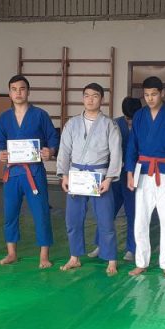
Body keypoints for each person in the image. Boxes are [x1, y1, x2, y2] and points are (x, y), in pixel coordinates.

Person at [58, 83, 122, 276]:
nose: (90, 99)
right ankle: (74, 257)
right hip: (77, 175)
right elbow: (64, 150)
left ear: (102, 99)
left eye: (95, 96)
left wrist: (109, 178)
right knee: (73, 219)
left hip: (99, 176)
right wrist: (64, 175)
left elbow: (116, 153)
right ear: (83, 98)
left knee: (105, 220)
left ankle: (111, 259)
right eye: (87, 95)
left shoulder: (110, 124)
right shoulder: (72, 123)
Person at [0, 75, 59, 268]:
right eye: (14, 89)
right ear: (9, 93)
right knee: (10, 214)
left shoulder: (40, 115)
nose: (18, 93)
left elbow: (53, 137)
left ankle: (44, 256)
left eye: (22, 89)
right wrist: (0, 153)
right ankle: (11, 253)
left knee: (41, 213)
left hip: (34, 172)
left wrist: (51, 151)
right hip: (12, 173)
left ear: (28, 91)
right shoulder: (4, 117)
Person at [126, 76, 165, 279]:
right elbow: (132, 145)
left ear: (162, 93)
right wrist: (129, 172)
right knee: (141, 220)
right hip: (143, 172)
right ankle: (141, 262)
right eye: (146, 95)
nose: (150, 98)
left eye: (154, 94)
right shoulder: (139, 116)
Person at [96, 96, 142, 262]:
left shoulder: (143, 124)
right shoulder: (114, 124)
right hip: (114, 175)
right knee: (107, 210)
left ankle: (132, 248)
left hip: (134, 175)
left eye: (133, 118)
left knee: (133, 213)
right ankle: (100, 244)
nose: (130, 121)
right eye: (128, 118)